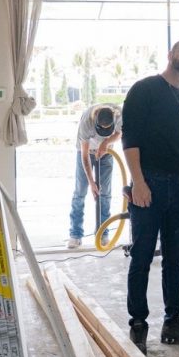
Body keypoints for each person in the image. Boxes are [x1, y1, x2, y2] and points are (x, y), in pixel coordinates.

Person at [121, 39, 179, 355]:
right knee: (142, 256)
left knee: (175, 259)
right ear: (170, 56)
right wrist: (139, 182)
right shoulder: (145, 89)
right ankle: (138, 325)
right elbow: (131, 138)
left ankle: (174, 322)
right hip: (150, 183)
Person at [67, 104, 122, 249]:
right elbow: (84, 156)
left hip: (106, 152)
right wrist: (91, 182)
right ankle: (75, 234)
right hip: (86, 152)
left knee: (105, 194)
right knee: (80, 192)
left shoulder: (119, 114)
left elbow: (119, 133)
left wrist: (106, 142)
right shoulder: (86, 121)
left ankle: (103, 234)